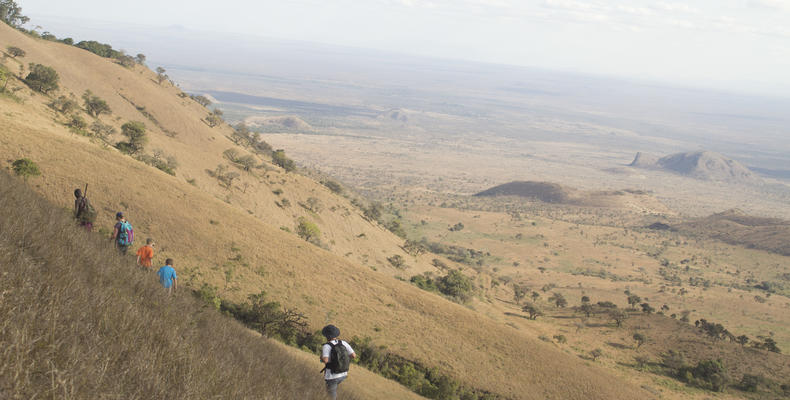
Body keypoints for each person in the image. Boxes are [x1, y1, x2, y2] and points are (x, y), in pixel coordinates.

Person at [320, 324, 356, 400]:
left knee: (331, 397)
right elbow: (353, 355)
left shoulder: (327, 346)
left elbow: (325, 360)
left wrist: (321, 357)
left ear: (326, 336)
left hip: (332, 376)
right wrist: (341, 360)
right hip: (343, 374)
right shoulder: (343, 343)